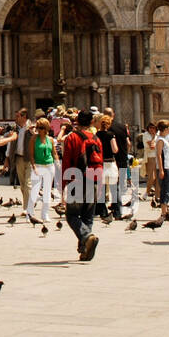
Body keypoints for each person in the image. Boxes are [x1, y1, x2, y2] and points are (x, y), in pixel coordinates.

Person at [61, 110, 102, 261]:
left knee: (71, 215)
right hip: (94, 180)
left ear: (77, 121)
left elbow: (66, 162)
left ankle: (87, 237)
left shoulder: (72, 137)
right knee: (88, 216)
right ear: (92, 122)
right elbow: (100, 161)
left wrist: (64, 184)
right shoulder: (96, 139)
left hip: (76, 180)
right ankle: (84, 249)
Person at [25, 117, 56, 223]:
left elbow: (54, 153)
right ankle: (29, 213)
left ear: (46, 128)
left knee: (47, 191)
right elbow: (31, 154)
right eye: (38, 127)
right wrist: (33, 166)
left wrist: (58, 164)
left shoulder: (51, 139)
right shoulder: (34, 138)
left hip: (49, 166)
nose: (39, 130)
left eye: (42, 127)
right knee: (35, 190)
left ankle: (45, 214)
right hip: (38, 166)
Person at [152, 120, 169, 216]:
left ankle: (165, 210)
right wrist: (161, 170)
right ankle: (163, 211)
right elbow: (159, 155)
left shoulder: (164, 139)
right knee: (166, 188)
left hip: (168, 166)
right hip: (165, 167)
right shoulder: (160, 140)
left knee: (168, 188)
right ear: (165, 129)